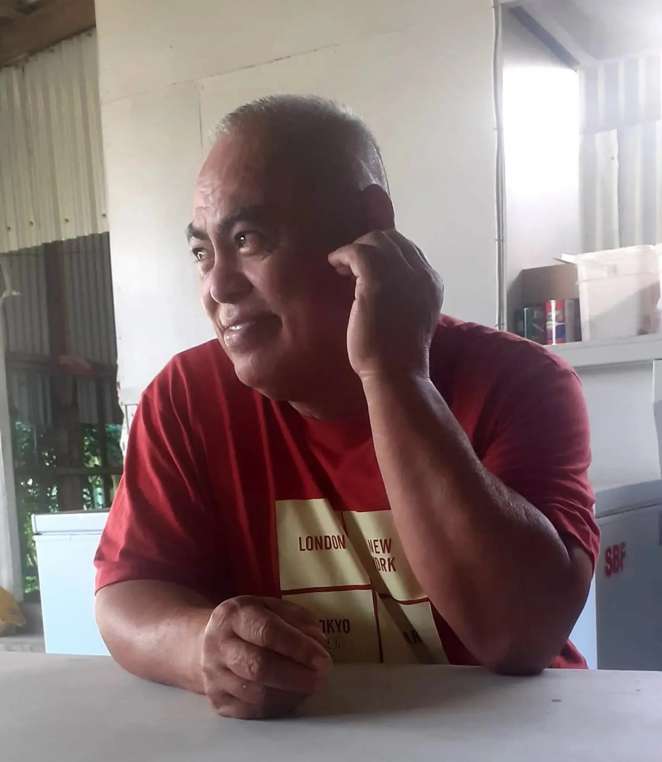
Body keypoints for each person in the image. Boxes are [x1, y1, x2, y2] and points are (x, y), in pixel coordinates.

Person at [95, 95, 599, 720]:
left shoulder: (520, 380)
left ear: (366, 227)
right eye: (203, 253)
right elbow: (125, 596)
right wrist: (202, 647)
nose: (217, 286)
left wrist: (395, 375)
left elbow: (519, 636)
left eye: (249, 239)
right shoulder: (185, 397)